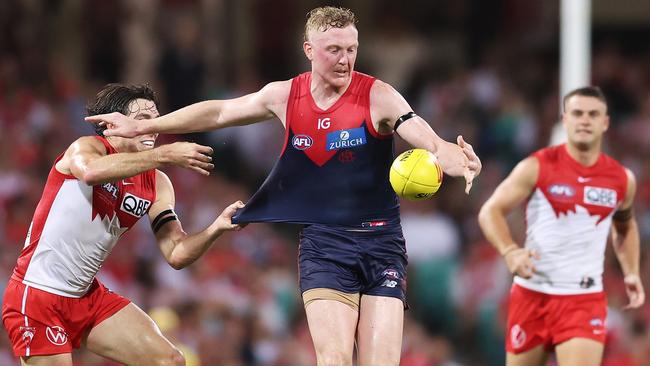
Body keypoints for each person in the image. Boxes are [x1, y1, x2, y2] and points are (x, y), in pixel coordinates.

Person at [86, 7, 482, 365]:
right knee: (335, 361)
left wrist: (454, 156)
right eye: (334, 50)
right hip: (324, 245)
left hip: (382, 244)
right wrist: (147, 125)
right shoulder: (285, 95)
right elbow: (221, 111)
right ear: (309, 49)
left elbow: (428, 140)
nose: (345, 60)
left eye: (351, 48)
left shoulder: (378, 96)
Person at [1, 84, 245, 366]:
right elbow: (91, 173)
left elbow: (176, 253)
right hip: (37, 296)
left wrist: (216, 228)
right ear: (112, 124)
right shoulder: (86, 148)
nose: (154, 127)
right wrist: (165, 155)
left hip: (87, 297)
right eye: (143, 120)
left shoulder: (158, 184)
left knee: (170, 361)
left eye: (156, 119)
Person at [478, 86, 645, 366]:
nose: (585, 120)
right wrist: (510, 252)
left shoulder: (621, 179)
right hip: (533, 294)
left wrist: (631, 272)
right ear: (565, 119)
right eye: (578, 113)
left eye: (593, 114)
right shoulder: (537, 166)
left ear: (605, 123)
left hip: (583, 297)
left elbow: (625, 226)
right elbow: (490, 211)